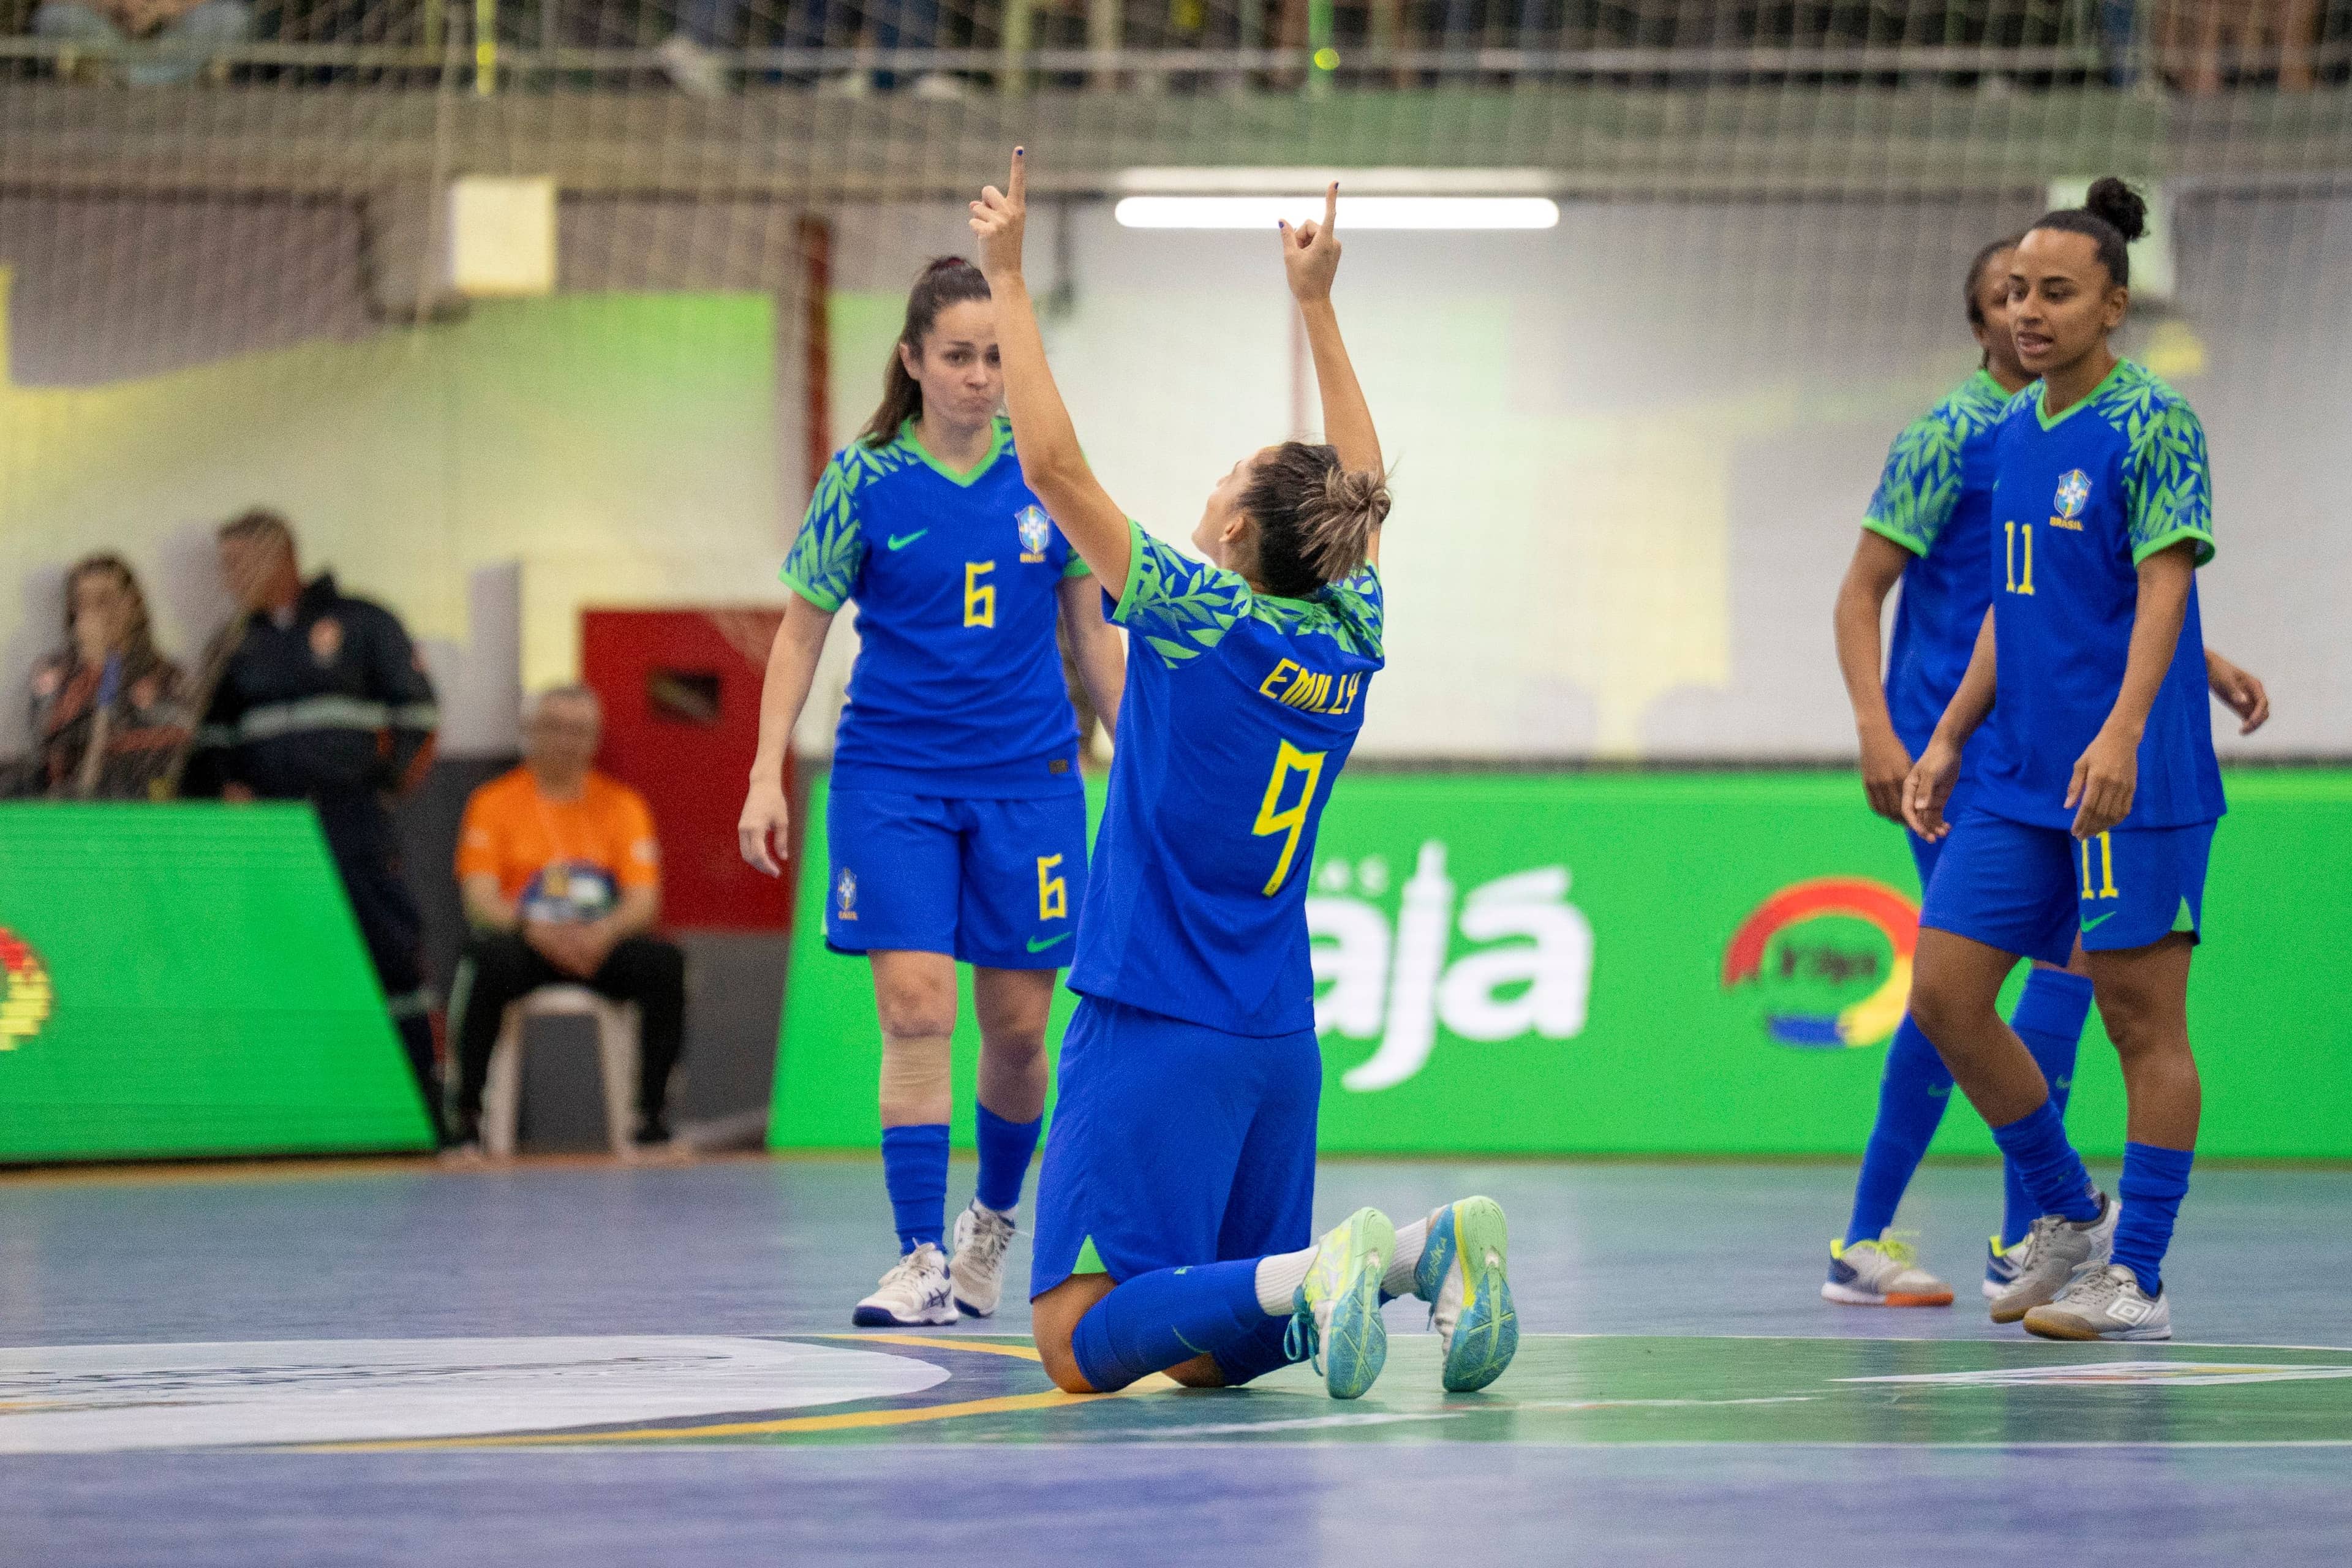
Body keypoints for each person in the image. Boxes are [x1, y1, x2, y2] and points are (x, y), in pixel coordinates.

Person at [970, 153, 1515, 1404]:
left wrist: (1008, 281)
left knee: (1075, 1340)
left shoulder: (1197, 610)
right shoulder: (1347, 628)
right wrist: (1318, 306)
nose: (1216, 476)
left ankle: (1324, 1268)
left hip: (1153, 1010)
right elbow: (1364, 492)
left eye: (1229, 470)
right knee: (1211, 1353)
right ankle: (1420, 1255)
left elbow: (1053, 471)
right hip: (1276, 1026)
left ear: (1229, 533)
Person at [1826, 238, 2270, 1310]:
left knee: (2135, 1018)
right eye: (2015, 294)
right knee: (1944, 992)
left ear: (2113, 306)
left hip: (2131, 775)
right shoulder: (2008, 429)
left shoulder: (2156, 421)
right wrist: (1941, 737)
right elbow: (2011, 607)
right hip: (2014, 775)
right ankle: (2067, 1212)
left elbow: (2162, 590)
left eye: (2055, 293)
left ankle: (2140, 1274)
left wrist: (2122, 733)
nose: (2029, 311)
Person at [738, 255, 1127, 1329]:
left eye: (997, 357)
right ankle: (915, 1256)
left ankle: (989, 1225)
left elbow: (1097, 640)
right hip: (892, 778)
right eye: (958, 356)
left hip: (1029, 781)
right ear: (911, 361)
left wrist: (1146, 764)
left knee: (1014, 1033)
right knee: (917, 1013)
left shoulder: (1051, 475)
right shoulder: (862, 478)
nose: (979, 376)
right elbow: (800, 633)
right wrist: (766, 771)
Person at [185, 509, 444, 1141]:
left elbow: (419, 717)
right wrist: (226, 791)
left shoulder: (362, 622)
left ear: (285, 556)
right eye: (225, 565)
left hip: (351, 822)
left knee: (385, 955)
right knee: (280, 966)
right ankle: (296, 1121)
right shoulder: (232, 645)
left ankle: (425, 1115)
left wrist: (383, 791)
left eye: (242, 561)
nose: (231, 576)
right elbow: (208, 743)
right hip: (267, 838)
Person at [445, 686, 686, 1155]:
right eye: (554, 727)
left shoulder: (624, 805)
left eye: (579, 730)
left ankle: (651, 1119)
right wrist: (535, 931)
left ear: (594, 739)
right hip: (527, 944)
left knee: (663, 964)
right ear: (530, 732)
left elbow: (643, 901)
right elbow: (479, 900)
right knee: (485, 961)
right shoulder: (492, 803)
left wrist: (604, 932)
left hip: (600, 944)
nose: (566, 741)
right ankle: (467, 1119)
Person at [21, 553, 192, 802]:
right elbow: (43, 742)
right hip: (65, 817)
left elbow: (174, 748)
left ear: (132, 604)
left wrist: (111, 670)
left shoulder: (165, 676)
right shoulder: (54, 674)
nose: (93, 612)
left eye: (104, 601)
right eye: (83, 602)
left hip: (134, 813)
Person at [34, 0, 251, 87]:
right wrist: (117, 6)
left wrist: (160, 8)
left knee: (231, 15)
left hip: (173, 45)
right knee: (55, 16)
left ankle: (144, 79)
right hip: (110, 44)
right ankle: (123, 77)